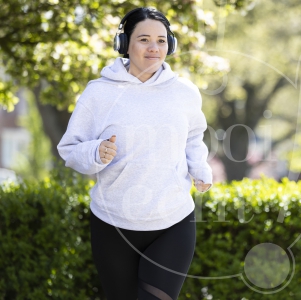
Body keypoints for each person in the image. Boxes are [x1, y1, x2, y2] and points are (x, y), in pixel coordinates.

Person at [57, 7, 213, 300]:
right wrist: (95, 151)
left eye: (162, 40)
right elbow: (69, 148)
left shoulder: (185, 93)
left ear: (171, 44)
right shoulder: (98, 94)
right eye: (144, 39)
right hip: (113, 224)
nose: (154, 48)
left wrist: (200, 168)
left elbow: (193, 136)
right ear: (124, 44)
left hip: (173, 220)